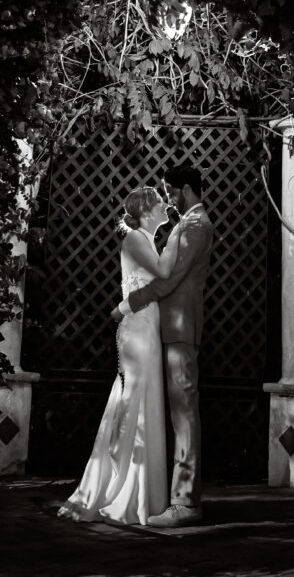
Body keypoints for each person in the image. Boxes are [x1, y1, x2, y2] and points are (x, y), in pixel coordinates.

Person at [58, 186, 178, 525]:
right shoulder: (137, 239)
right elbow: (166, 274)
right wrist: (179, 238)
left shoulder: (144, 239)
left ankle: (140, 492)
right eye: (158, 203)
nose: (165, 205)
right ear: (144, 212)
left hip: (146, 327)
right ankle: (122, 489)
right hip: (138, 330)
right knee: (135, 401)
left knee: (143, 399)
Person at [111, 163, 213, 528]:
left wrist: (127, 304)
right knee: (177, 414)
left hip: (180, 328)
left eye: (171, 191)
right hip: (171, 328)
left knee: (184, 415)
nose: (168, 199)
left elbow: (169, 281)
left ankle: (186, 503)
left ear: (186, 189)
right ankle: (179, 498)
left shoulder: (196, 226)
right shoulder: (187, 225)